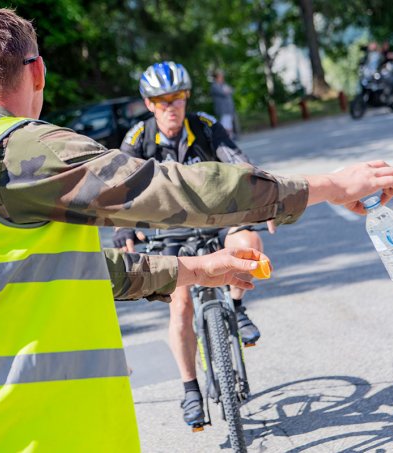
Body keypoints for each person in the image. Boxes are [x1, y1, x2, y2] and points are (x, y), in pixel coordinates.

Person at [0, 8, 393, 452]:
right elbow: (168, 191)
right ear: (38, 73)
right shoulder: (17, 151)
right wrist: (327, 186)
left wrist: (197, 269)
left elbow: (67, 273)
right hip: (4, 433)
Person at [117, 61, 268, 427]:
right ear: (150, 103)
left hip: (215, 221)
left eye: (178, 97)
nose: (172, 105)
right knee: (179, 304)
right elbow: (119, 189)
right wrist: (121, 230)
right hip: (167, 233)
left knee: (249, 240)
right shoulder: (138, 138)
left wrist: (266, 193)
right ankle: (190, 389)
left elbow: (239, 164)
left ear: (186, 97)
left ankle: (237, 305)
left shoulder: (204, 126)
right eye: (162, 99)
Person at [210, 69, 238, 138]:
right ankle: (225, 138)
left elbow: (231, 90)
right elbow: (223, 93)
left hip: (229, 109)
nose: (222, 78)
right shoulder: (214, 86)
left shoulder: (224, 85)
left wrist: (228, 90)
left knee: (229, 124)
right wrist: (227, 90)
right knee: (224, 125)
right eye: (220, 77)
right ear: (217, 77)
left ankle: (229, 137)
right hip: (223, 109)